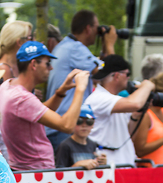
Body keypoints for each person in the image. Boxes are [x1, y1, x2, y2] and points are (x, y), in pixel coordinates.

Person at [0, 40, 90, 171]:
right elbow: (67, 126)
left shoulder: (8, 86)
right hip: (37, 171)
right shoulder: (21, 98)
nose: (51, 68)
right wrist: (80, 89)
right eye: (47, 63)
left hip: (25, 169)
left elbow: (37, 112)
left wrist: (61, 92)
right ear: (34, 64)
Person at [45, 10, 117, 152]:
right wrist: (110, 44)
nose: (98, 31)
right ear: (88, 29)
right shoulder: (75, 48)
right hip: (65, 127)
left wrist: (103, 46)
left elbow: (99, 67)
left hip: (58, 125)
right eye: (97, 28)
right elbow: (107, 71)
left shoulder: (66, 46)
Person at [84, 54, 156, 166]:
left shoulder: (116, 100)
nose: (128, 78)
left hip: (121, 166)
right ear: (117, 76)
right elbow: (135, 103)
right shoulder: (99, 98)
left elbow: (128, 136)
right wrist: (147, 85)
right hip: (108, 170)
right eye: (127, 74)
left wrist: (135, 116)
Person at [55, 104, 107, 169]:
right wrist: (77, 165)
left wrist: (101, 164)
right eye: (79, 121)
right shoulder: (65, 146)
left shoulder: (92, 144)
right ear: (72, 122)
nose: (84, 125)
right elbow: (59, 172)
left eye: (89, 121)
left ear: (93, 124)